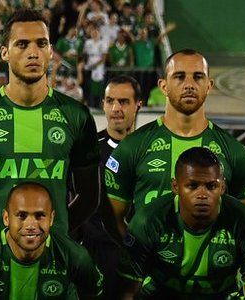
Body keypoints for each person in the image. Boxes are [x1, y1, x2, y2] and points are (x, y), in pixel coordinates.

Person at [0, 8, 100, 255]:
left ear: (51, 51)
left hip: (54, 261)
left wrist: (57, 232)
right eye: (22, 44)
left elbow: (89, 195)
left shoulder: (76, 115)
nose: (33, 52)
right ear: (4, 53)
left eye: (41, 43)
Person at [105, 49, 245, 239]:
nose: (189, 85)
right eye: (179, 77)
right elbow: (112, 220)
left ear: (209, 86)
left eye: (198, 77)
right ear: (163, 86)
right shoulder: (131, 147)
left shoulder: (235, 152)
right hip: (149, 269)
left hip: (213, 269)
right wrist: (137, 255)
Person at [122, 147, 245, 298]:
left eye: (211, 186)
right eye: (192, 186)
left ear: (222, 187)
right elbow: (126, 291)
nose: (202, 195)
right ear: (175, 187)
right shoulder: (148, 221)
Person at [0, 182, 103, 299]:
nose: (31, 225)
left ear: (52, 218)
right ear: (6, 218)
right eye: (22, 216)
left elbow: (94, 292)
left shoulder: (75, 255)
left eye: (40, 215)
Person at [80, 74, 142, 299]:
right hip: (95, 254)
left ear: (138, 105)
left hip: (139, 255)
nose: (116, 108)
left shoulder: (151, 149)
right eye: (110, 101)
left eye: (124, 102)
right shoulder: (87, 151)